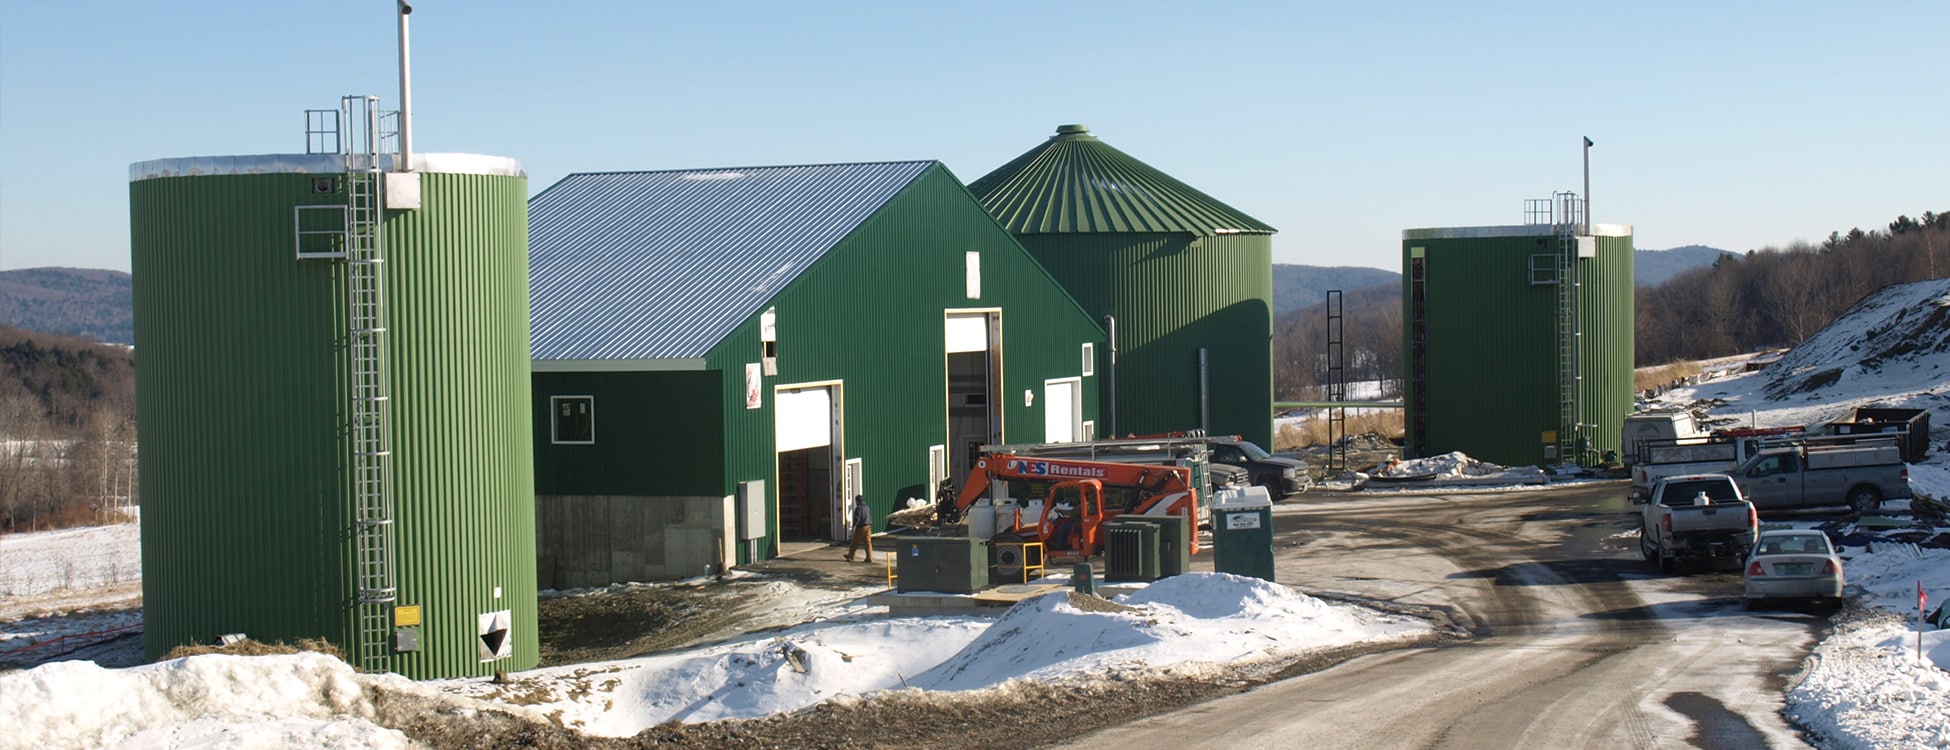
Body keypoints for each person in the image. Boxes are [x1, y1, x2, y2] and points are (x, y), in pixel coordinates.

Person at [844, 495, 874, 563]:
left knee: (855, 541)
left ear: (857, 501)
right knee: (868, 543)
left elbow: (857, 519)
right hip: (868, 526)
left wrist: (854, 527)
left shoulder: (858, 508)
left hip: (861, 527)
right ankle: (869, 558)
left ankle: (850, 556)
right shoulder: (867, 507)